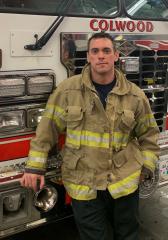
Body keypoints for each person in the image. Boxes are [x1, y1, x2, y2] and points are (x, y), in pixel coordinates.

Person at [20, 32, 160, 240]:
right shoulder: (67, 91)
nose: (100, 56)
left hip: (125, 185)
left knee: (128, 235)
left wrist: (145, 169)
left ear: (115, 56)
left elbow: (149, 136)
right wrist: (34, 166)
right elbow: (47, 130)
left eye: (106, 51)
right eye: (95, 51)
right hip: (83, 183)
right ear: (88, 57)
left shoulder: (135, 95)